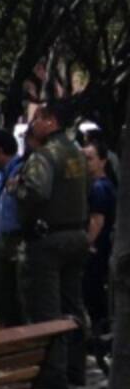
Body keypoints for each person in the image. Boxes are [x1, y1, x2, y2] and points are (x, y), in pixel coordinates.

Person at [14, 102, 89, 389]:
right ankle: (76, 368)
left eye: (37, 119)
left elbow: (36, 192)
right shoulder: (78, 154)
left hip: (48, 241)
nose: (32, 125)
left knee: (46, 310)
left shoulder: (44, 156)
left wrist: (15, 188)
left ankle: (52, 374)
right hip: (76, 235)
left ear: (50, 121)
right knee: (73, 305)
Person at [0, 129, 25, 327]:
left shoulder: (22, 170)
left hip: (18, 239)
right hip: (2, 237)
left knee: (20, 296)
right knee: (4, 294)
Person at [82, 141, 117, 334]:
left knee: (93, 294)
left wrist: (86, 243)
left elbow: (97, 221)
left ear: (102, 161)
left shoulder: (100, 188)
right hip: (100, 250)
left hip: (98, 251)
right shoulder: (97, 186)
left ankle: (100, 335)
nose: (85, 163)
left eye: (89, 159)